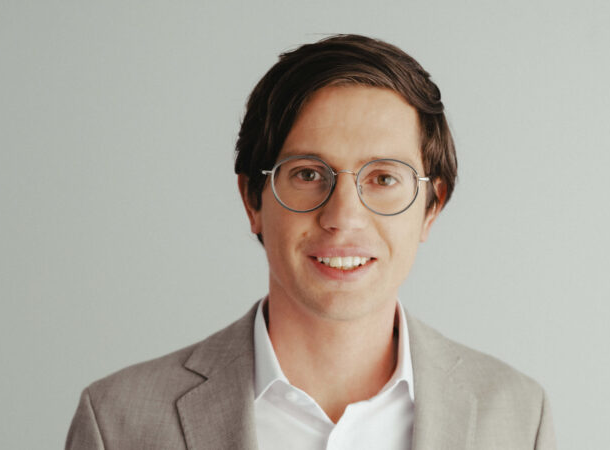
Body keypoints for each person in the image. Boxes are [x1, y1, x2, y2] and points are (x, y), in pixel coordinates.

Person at [66, 34, 556, 450]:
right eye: (307, 174)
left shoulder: (517, 418)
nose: (342, 217)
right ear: (252, 200)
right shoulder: (117, 422)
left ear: (432, 207)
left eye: (384, 178)